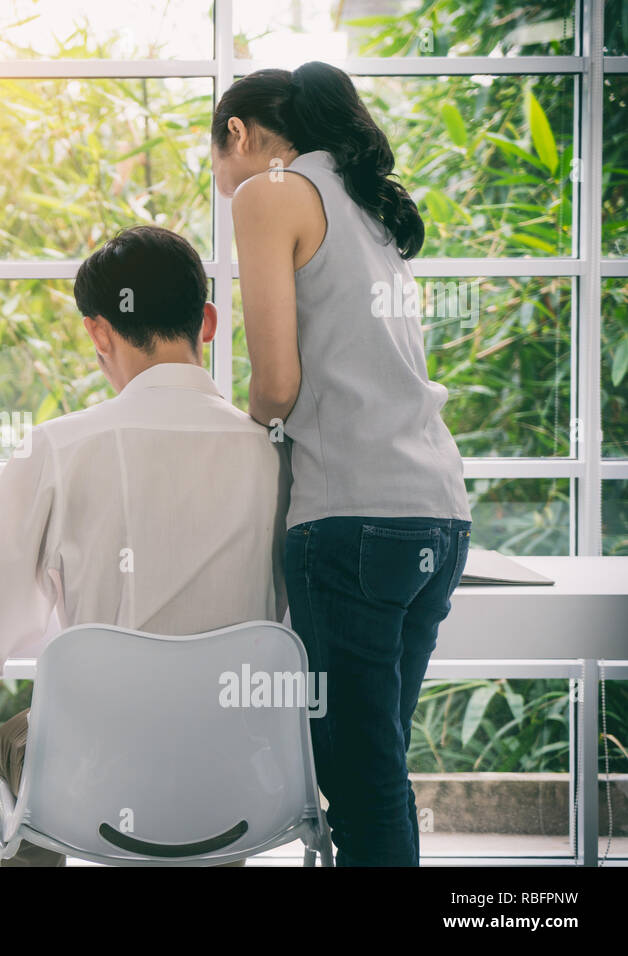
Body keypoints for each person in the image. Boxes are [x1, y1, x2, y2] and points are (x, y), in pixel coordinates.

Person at [0, 225, 289, 866]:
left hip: (92, 785)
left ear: (99, 331)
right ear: (206, 322)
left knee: (14, 742)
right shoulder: (278, 457)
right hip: (241, 790)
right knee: (209, 751)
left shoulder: (58, 447)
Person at [211, 61, 472, 867]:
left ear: (238, 136)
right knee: (379, 773)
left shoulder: (270, 192)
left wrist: (226, 429)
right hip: (437, 513)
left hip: (352, 520)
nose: (223, 184)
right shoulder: (366, 204)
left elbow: (278, 387)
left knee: (360, 787)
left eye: (216, 163)